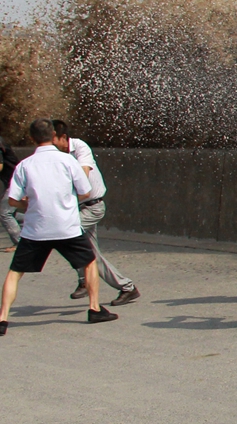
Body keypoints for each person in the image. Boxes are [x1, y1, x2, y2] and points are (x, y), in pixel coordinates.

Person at [1, 119, 118, 335]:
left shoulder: (25, 165)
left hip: (36, 229)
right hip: (67, 227)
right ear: (53, 134)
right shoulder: (67, 161)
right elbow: (84, 191)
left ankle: (3, 319)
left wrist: (28, 205)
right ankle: (94, 309)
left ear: (31, 138)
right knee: (89, 263)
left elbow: (12, 201)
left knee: (15, 273)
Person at [52, 120, 140, 306]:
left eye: (53, 139)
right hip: (78, 208)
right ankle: (127, 287)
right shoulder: (56, 156)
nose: (50, 143)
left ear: (63, 138)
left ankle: (85, 280)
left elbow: (82, 177)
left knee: (64, 235)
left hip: (93, 207)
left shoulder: (79, 147)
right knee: (91, 254)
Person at [0, 135, 22, 252]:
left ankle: (19, 243)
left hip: (17, 181)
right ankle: (36, 221)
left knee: (4, 213)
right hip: (14, 181)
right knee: (10, 213)